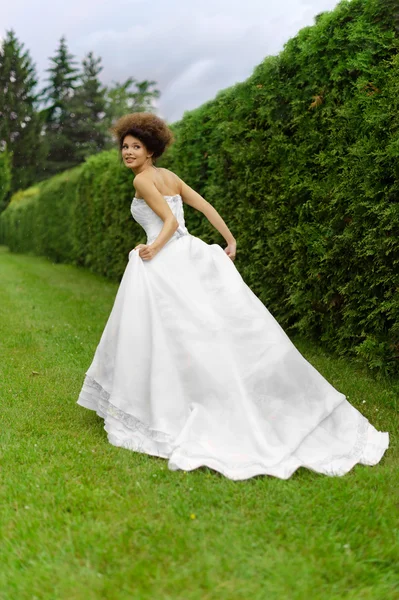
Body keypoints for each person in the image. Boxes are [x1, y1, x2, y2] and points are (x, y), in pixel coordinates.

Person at [76, 112, 389, 481]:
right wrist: (229, 239)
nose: (128, 152)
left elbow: (171, 224)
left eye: (135, 147)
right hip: (189, 253)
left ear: (150, 151)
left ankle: (172, 403)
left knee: (168, 335)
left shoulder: (145, 180)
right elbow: (203, 207)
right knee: (203, 330)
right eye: (124, 146)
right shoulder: (170, 177)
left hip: (165, 260)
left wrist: (151, 248)